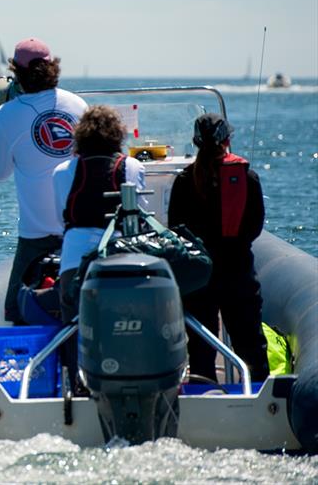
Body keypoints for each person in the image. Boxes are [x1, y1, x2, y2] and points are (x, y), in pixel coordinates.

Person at [0, 37, 88, 323]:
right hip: (78, 229)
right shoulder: (78, 104)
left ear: (16, 74)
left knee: (15, 312)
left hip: (36, 234)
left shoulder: (7, 114)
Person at [168, 113, 269, 382]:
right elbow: (254, 227)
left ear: (196, 142)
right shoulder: (248, 177)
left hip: (200, 277)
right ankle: (258, 397)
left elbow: (176, 229)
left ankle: (205, 396)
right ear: (227, 139)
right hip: (238, 273)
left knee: (201, 349)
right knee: (251, 345)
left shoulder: (184, 180)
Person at [52, 105, 146, 392]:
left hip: (74, 262)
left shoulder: (61, 171)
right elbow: (140, 216)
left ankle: (75, 387)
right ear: (117, 135)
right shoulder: (132, 167)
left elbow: (61, 219)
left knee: (73, 325)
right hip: (122, 261)